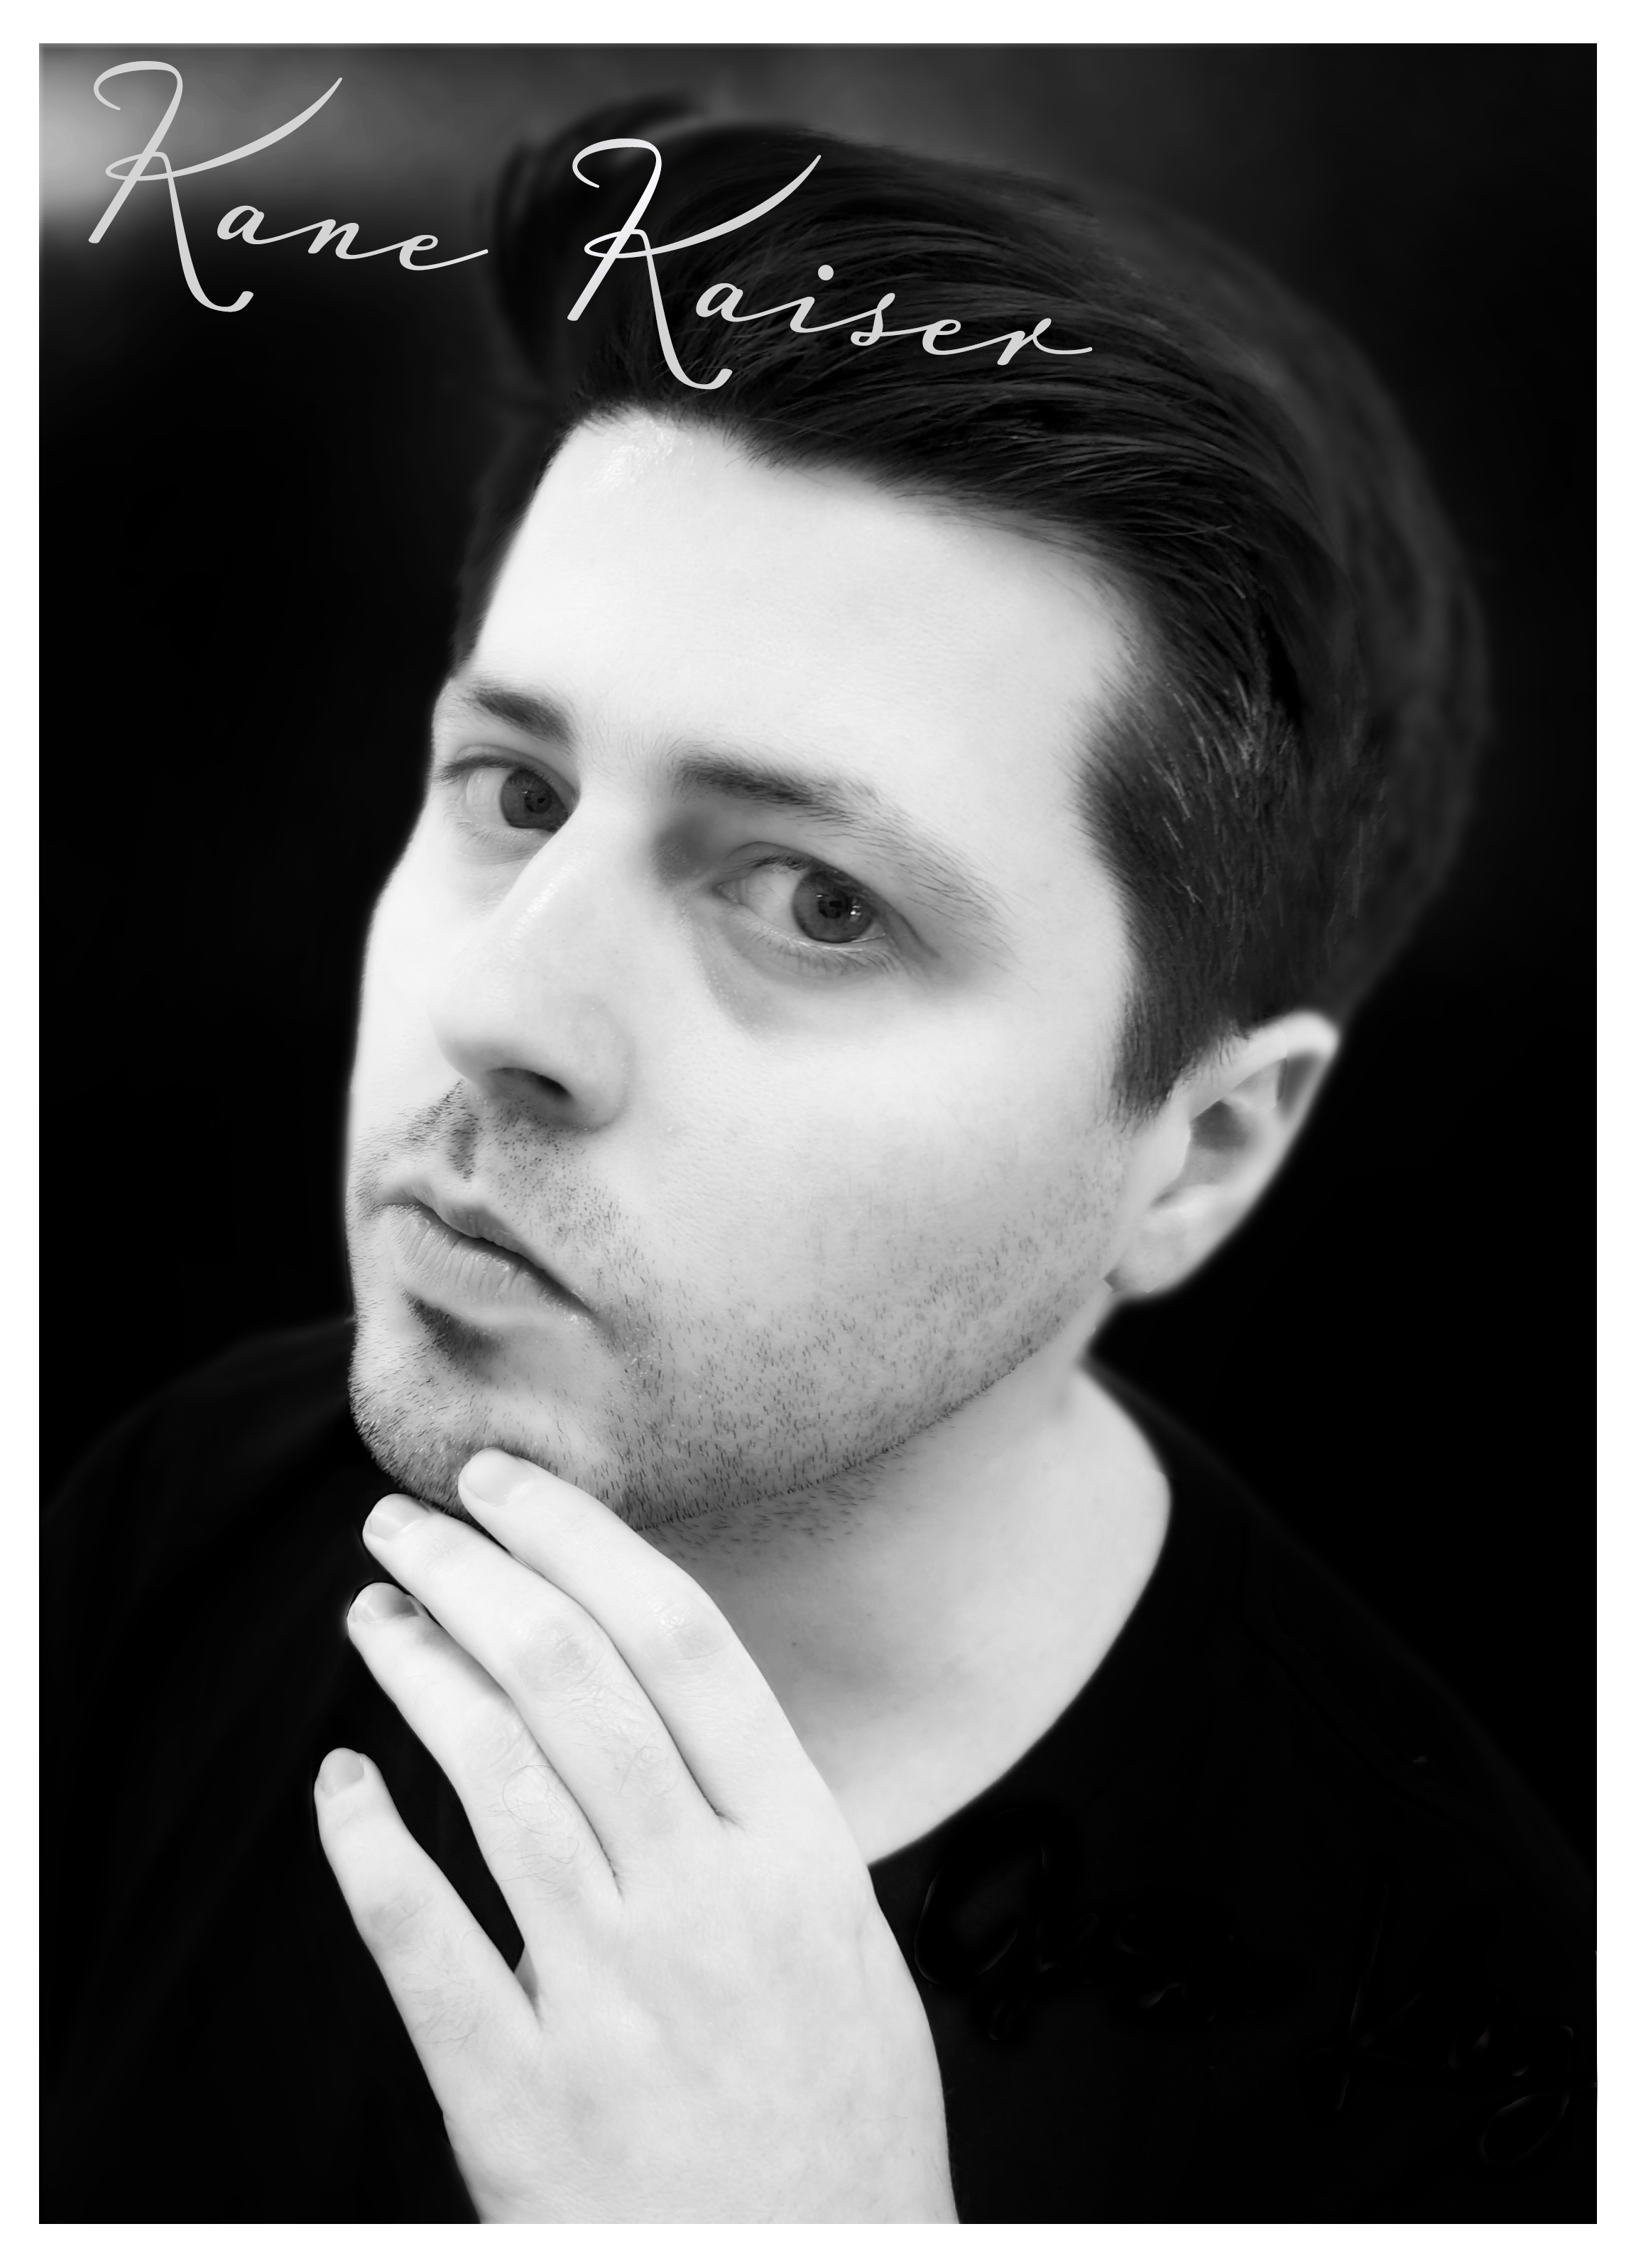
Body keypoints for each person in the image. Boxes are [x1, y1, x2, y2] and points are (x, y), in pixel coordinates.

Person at [40, 104, 1593, 2222]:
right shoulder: (187, 1513)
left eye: (815, 901)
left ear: (1203, 1151)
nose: (505, 1007)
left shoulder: (1487, 2099)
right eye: (514, 790)